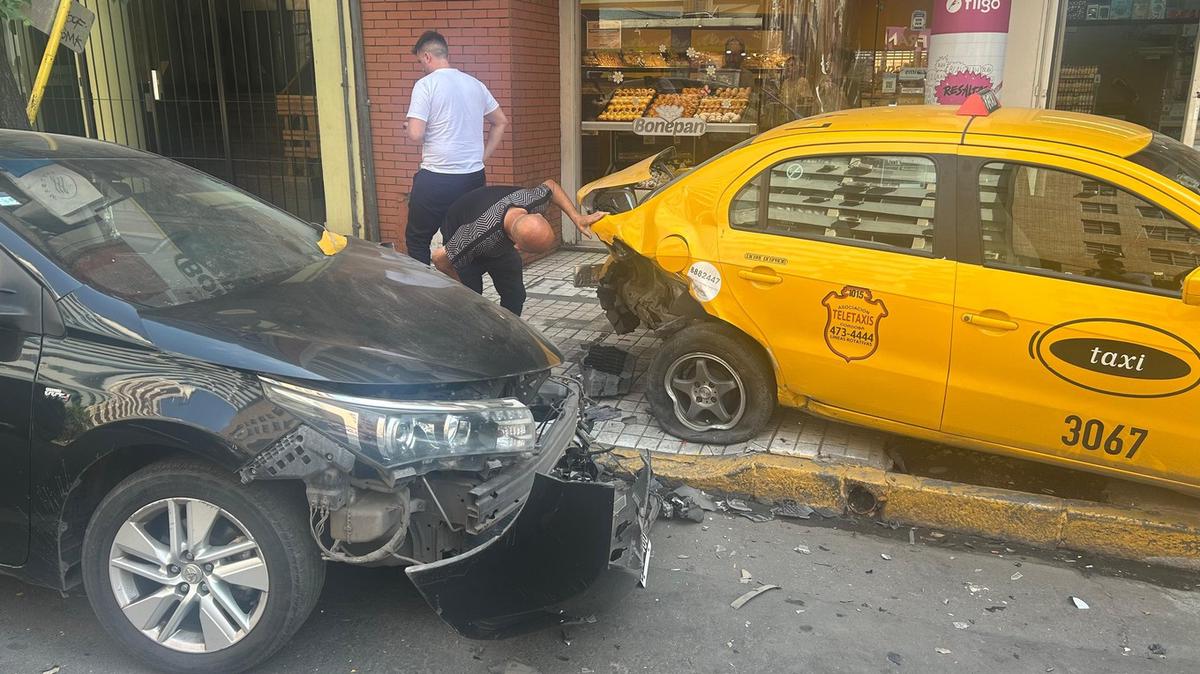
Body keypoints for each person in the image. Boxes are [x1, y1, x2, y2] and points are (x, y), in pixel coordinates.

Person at [403, 31, 509, 265]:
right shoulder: (475, 84)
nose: (421, 66)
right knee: (464, 241)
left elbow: (415, 134)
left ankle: (426, 295)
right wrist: (482, 157)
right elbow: (500, 121)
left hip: (437, 178)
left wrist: (408, 126)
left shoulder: (425, 85)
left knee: (417, 239)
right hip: (472, 178)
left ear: (427, 56)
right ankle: (469, 293)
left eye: (420, 61)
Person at [431, 180, 606, 316]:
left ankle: (507, 336)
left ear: (536, 214)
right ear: (517, 245)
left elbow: (551, 186)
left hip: (495, 233)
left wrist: (577, 217)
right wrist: (461, 288)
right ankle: (475, 343)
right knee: (471, 302)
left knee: (515, 296)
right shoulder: (474, 237)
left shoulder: (531, 200)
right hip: (463, 233)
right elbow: (439, 258)